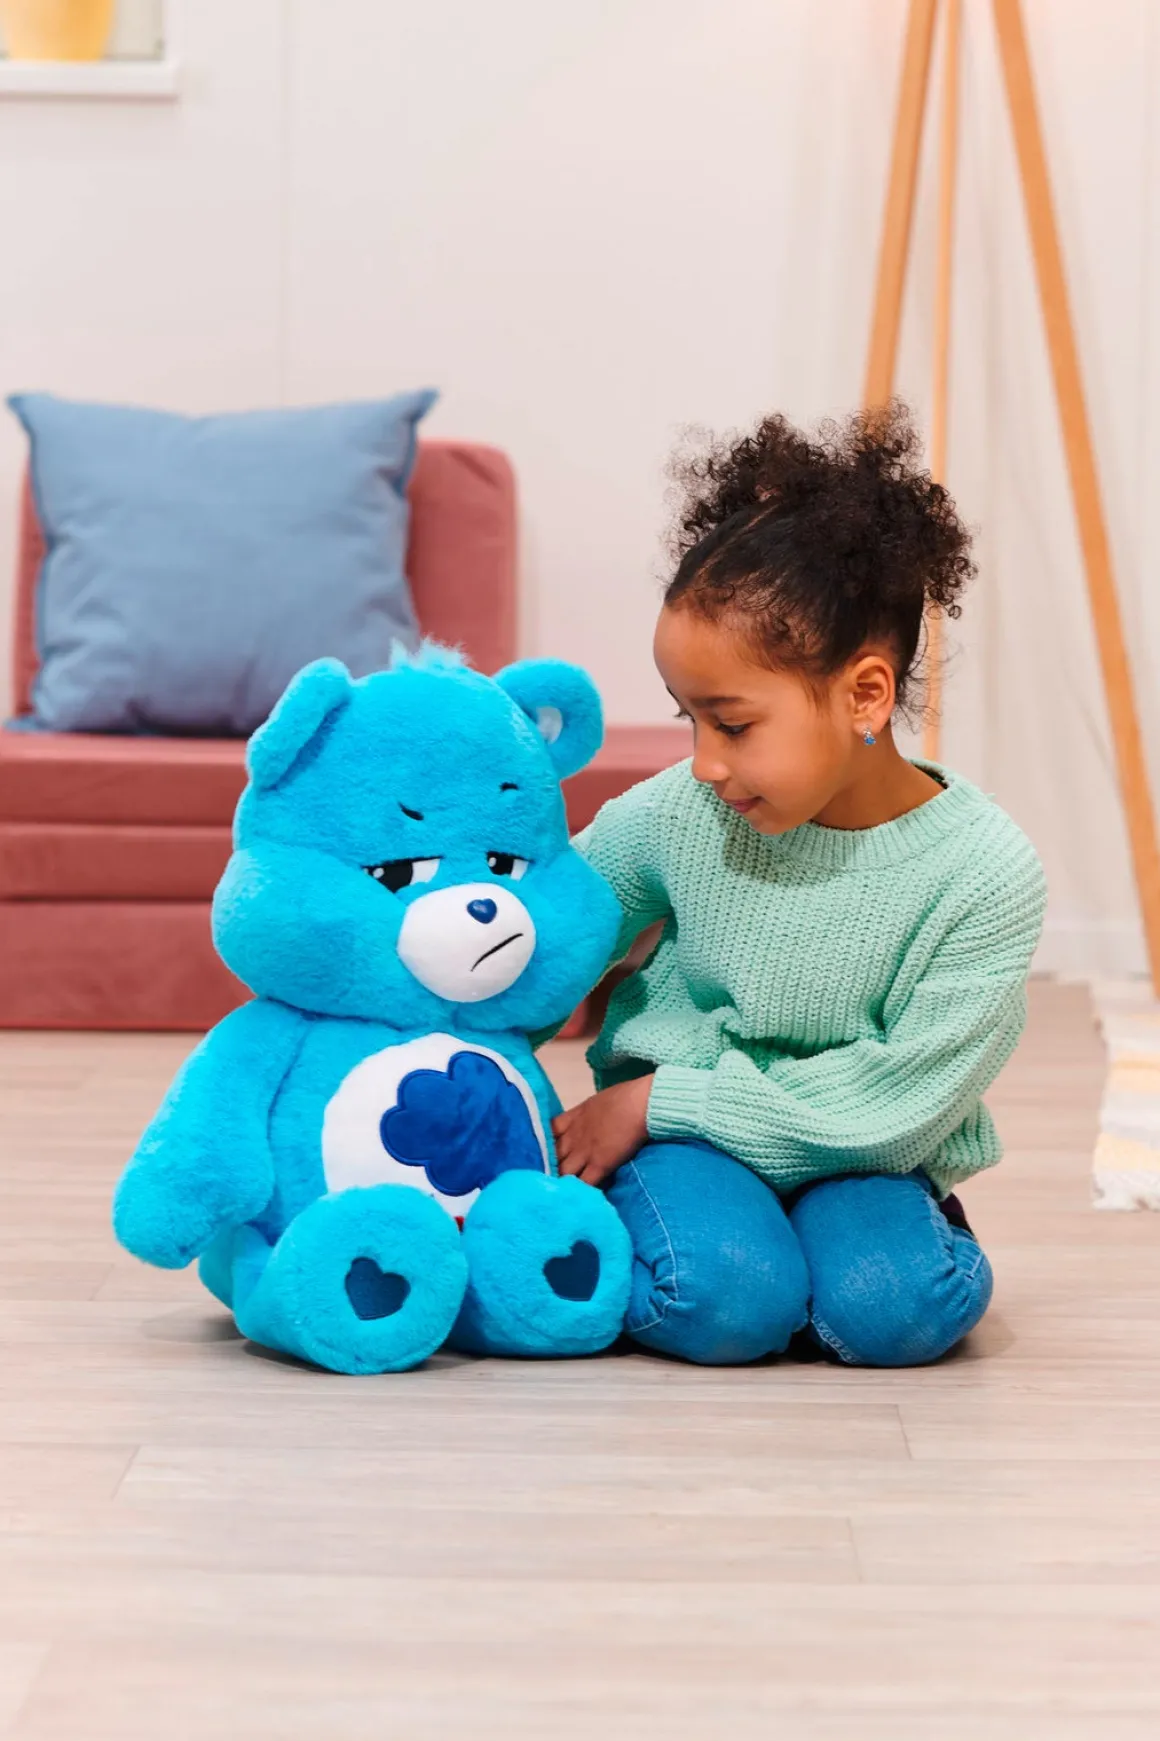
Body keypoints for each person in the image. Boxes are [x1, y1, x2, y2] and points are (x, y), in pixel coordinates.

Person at [552, 402, 1046, 1368]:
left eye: (732, 724)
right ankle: (735, 1256)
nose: (704, 762)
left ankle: (816, 1258)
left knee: (897, 1312)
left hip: (854, 1147)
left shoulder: (986, 873)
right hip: (691, 1147)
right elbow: (548, 935)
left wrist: (655, 1102)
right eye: (688, 719)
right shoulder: (683, 812)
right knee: (722, 1301)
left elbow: (900, 1101)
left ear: (865, 694)